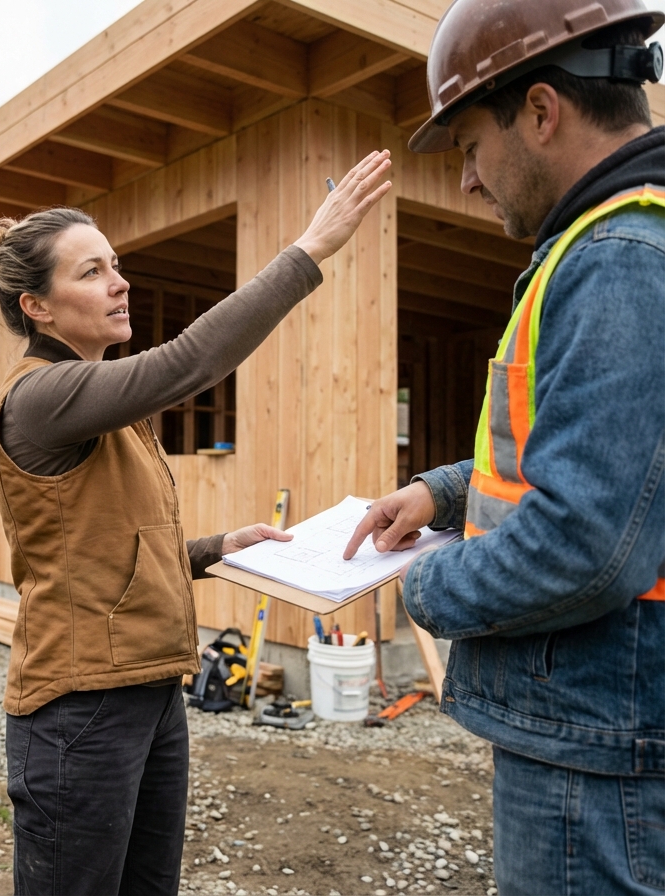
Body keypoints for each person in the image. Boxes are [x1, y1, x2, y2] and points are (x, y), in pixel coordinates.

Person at [0, 150, 392, 895]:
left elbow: (105, 546)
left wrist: (217, 548)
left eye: (115, 264)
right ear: (37, 306)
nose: (119, 281)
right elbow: (189, 362)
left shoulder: (102, 405)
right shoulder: (42, 396)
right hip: (81, 705)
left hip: (151, 689)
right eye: (91, 271)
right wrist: (310, 249)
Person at [343, 2, 665, 894]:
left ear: (541, 111)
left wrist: (423, 583)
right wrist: (444, 493)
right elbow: (619, 458)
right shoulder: (622, 247)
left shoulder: (619, 259)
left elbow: (585, 545)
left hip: (597, 742)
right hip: (609, 728)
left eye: (471, 147)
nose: (467, 182)